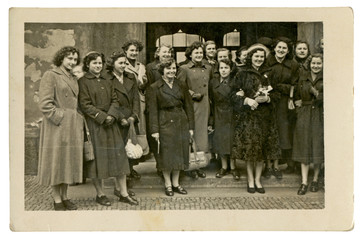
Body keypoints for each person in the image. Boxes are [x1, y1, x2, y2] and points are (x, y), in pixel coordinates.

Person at [78, 51, 138, 206]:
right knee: (97, 161)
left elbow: (114, 99)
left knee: (120, 159)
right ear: (87, 65)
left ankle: (123, 193)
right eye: (94, 63)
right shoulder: (83, 82)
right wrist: (103, 117)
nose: (98, 66)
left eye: (100, 63)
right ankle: (100, 194)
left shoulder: (107, 79)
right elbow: (85, 105)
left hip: (112, 124)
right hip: (96, 125)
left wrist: (111, 115)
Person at [37, 46, 83, 211]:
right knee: (56, 161)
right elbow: (45, 104)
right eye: (69, 58)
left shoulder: (73, 77)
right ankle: (57, 199)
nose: (72, 62)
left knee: (67, 161)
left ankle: (65, 196)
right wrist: (61, 117)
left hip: (71, 126)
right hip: (56, 127)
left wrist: (75, 119)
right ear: (61, 58)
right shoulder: (51, 75)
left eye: (75, 59)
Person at [231, 47, 281, 194]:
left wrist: (268, 98)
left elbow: (277, 93)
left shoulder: (269, 73)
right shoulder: (242, 73)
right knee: (250, 150)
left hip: (265, 117)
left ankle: (258, 180)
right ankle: (250, 179)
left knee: (262, 150)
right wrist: (246, 100)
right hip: (248, 116)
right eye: (256, 56)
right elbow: (233, 95)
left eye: (261, 57)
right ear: (250, 57)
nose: (259, 59)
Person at [147, 59, 195, 196]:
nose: (172, 71)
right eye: (168, 69)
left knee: (179, 153)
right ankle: (168, 184)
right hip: (164, 123)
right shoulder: (155, 87)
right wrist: (155, 130)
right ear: (162, 71)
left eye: (174, 68)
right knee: (166, 155)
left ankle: (176, 183)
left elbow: (189, 107)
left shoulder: (181, 85)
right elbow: (153, 111)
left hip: (181, 122)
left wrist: (191, 127)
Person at [105, 51, 141, 198]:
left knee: (129, 153)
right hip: (116, 121)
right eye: (120, 63)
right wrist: (120, 118)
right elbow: (109, 101)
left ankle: (124, 186)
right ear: (112, 64)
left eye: (125, 63)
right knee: (118, 155)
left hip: (130, 120)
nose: (123, 65)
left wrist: (133, 116)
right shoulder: (107, 78)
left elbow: (136, 100)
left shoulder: (130, 77)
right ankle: (118, 187)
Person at [264, 37, 299, 180]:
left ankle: (276, 165)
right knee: (268, 131)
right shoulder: (267, 62)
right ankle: (267, 165)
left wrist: (288, 95)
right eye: (279, 47)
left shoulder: (293, 65)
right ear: (274, 48)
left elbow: (294, 84)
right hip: (268, 101)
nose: (281, 50)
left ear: (288, 50)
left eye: (284, 48)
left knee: (280, 132)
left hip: (284, 103)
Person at [177, 41, 213, 179]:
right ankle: (191, 166)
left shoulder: (208, 68)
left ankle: (199, 165)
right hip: (192, 105)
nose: (198, 55)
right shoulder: (184, 68)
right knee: (192, 135)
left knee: (202, 136)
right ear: (190, 54)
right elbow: (180, 86)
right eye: (196, 52)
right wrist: (192, 94)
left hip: (205, 106)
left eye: (200, 53)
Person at [293, 54, 324, 195]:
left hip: (319, 114)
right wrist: (298, 103)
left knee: (317, 146)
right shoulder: (303, 78)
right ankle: (304, 182)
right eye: (314, 63)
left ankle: (316, 179)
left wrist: (316, 93)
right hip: (304, 114)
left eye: (319, 63)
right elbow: (297, 94)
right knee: (304, 145)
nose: (316, 66)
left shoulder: (326, 78)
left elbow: (328, 97)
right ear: (309, 64)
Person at [208, 59, 240, 180]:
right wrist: (211, 119)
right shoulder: (213, 82)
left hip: (232, 113)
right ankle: (224, 166)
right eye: (221, 68)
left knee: (232, 141)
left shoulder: (235, 82)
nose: (224, 70)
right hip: (218, 113)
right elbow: (211, 100)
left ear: (231, 70)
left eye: (226, 68)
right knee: (221, 140)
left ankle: (233, 167)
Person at [145, 44, 174, 177]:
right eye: (164, 52)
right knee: (157, 137)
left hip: (169, 104)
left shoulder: (173, 66)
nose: (167, 54)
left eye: (169, 52)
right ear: (158, 53)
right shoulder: (150, 67)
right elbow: (150, 86)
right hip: (156, 102)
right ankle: (159, 165)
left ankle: (169, 165)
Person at [122, 40, 148, 179]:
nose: (134, 53)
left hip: (140, 101)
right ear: (125, 51)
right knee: (127, 133)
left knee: (138, 132)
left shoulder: (141, 66)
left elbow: (143, 84)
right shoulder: (121, 64)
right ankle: (126, 168)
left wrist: (143, 83)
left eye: (136, 50)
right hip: (128, 101)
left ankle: (133, 165)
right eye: (131, 50)